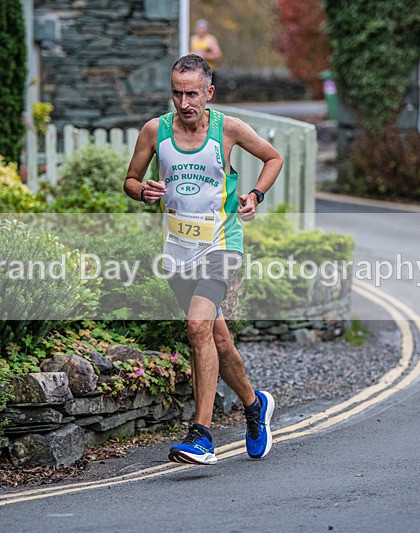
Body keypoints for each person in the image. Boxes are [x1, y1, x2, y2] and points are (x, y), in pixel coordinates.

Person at [123, 54, 283, 465]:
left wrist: (255, 195)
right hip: (178, 250)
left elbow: (273, 157)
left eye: (192, 93)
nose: (184, 102)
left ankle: (202, 435)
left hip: (221, 244)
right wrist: (143, 192)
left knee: (197, 326)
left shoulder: (227, 129)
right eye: (177, 93)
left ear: (208, 92)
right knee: (217, 338)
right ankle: (254, 406)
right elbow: (129, 180)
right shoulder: (154, 131)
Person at [190, 20, 222, 86]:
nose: (201, 30)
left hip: (208, 71)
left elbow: (218, 55)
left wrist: (205, 55)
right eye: (200, 28)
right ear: (196, 29)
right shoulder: (193, 39)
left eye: (203, 28)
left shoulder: (210, 39)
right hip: (195, 71)